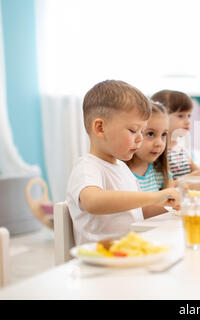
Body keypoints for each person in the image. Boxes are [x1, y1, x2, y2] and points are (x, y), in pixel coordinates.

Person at [66, 80, 179, 245]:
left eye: (142, 131)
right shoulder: (87, 167)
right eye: (133, 130)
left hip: (129, 253)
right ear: (100, 128)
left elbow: (139, 211)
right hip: (102, 261)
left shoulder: (122, 168)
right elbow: (93, 202)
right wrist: (154, 196)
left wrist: (169, 204)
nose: (139, 137)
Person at [151, 89, 200, 180]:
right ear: (162, 116)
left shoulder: (182, 151)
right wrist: (192, 177)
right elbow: (165, 186)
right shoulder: (158, 152)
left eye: (189, 116)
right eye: (180, 116)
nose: (187, 121)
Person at [126, 100, 174, 217]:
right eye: (150, 134)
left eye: (163, 135)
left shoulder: (160, 173)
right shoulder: (122, 173)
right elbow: (137, 213)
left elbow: (171, 201)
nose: (159, 143)